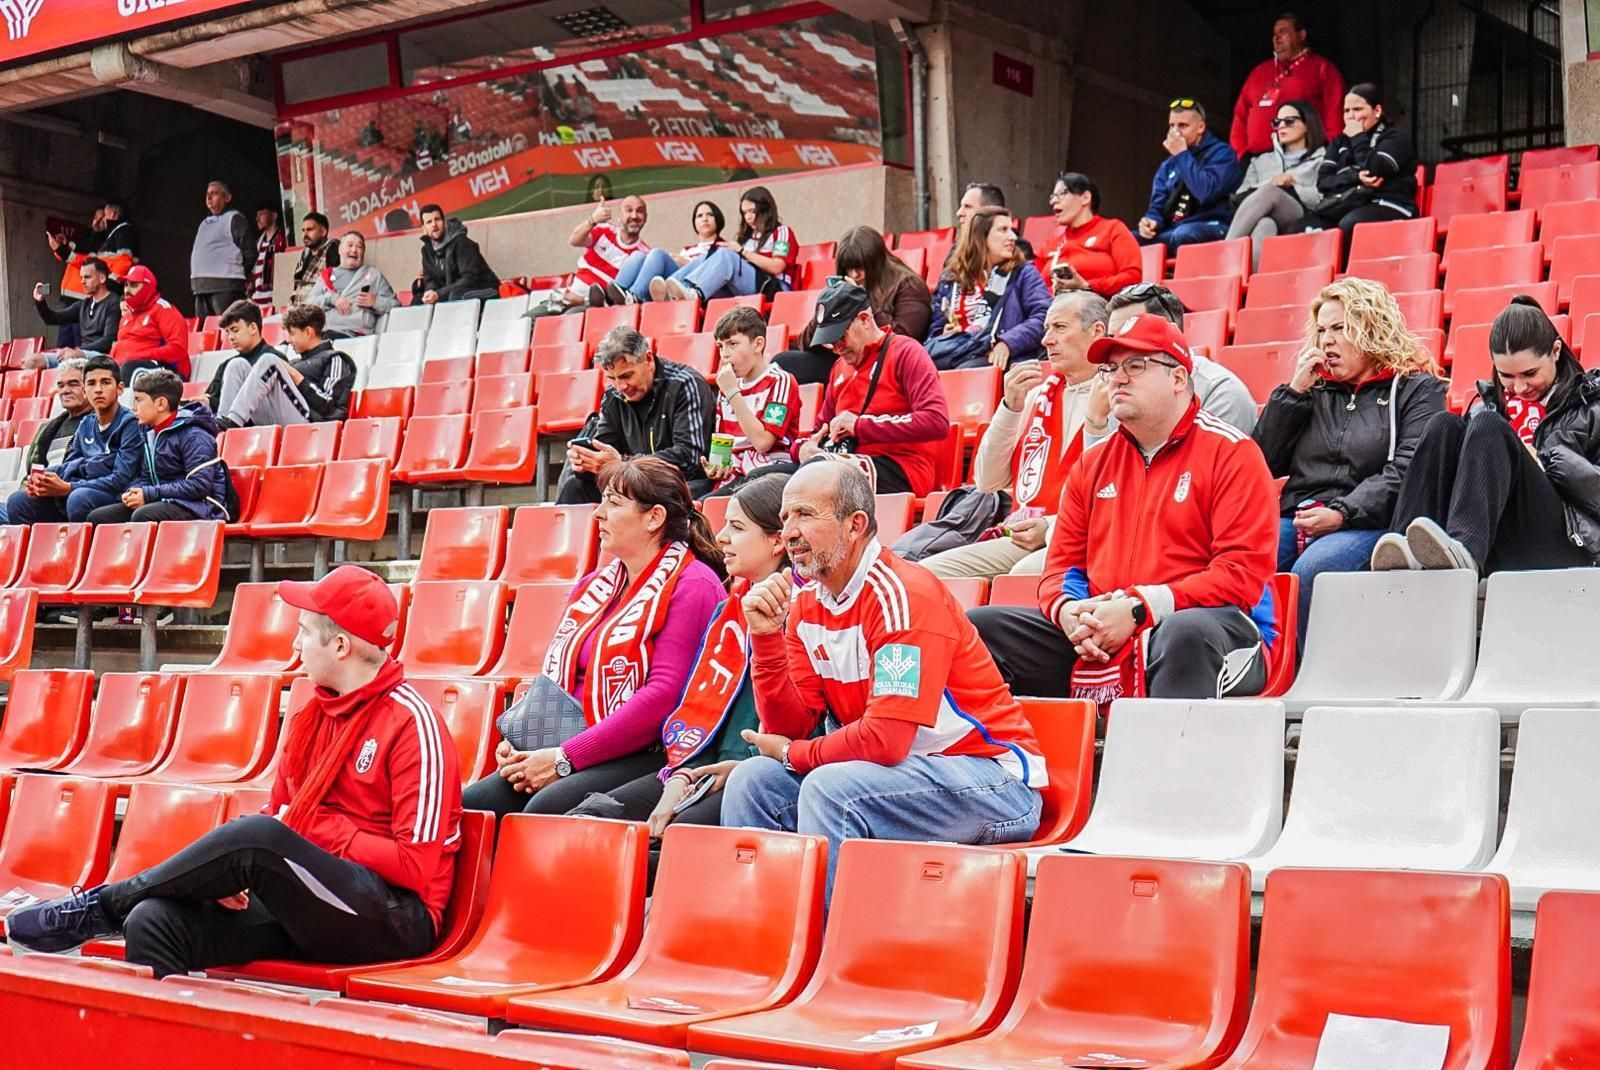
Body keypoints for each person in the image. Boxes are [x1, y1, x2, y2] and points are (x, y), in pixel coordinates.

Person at [6, 566, 462, 981]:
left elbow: (415, 868)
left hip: (395, 919)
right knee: (154, 920)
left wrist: (316, 829)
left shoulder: (413, 723)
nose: (294, 645)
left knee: (259, 837)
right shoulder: (313, 715)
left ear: (340, 646)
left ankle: (101, 907)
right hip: (310, 904)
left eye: (303, 633)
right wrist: (230, 878)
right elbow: (281, 816)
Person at [722, 461, 1048, 897]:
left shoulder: (904, 596)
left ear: (855, 525)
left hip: (993, 783)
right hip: (894, 777)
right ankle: (762, 940)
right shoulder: (804, 607)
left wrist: (795, 755)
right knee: (754, 781)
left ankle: (830, 949)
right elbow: (791, 727)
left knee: (831, 789)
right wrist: (765, 639)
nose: (789, 533)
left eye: (804, 515)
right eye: (784, 519)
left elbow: (886, 740)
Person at [968, 313, 1279, 703]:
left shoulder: (1233, 453)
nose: (1117, 378)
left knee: (1185, 633)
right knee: (981, 628)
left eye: (1136, 366)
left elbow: (1240, 577)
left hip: (1216, 631)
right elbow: (1061, 567)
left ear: (1178, 379)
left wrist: (1138, 608)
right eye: (1111, 368)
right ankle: (1007, 763)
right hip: (1108, 628)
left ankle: (1157, 764)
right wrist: (1070, 614)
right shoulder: (1094, 462)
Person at [464, 458, 724, 819]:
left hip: (646, 751)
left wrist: (564, 758)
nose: (598, 514)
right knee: (472, 804)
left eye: (613, 504)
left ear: (654, 518)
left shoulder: (694, 585)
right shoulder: (594, 585)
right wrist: (521, 742)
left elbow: (664, 697)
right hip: (571, 741)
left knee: (543, 810)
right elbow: (556, 681)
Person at [566, 474, 789, 853]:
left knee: (669, 844)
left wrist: (736, 767)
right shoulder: (726, 612)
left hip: (754, 770)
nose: (721, 539)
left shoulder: (802, 614)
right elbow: (696, 710)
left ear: (778, 541)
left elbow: (804, 727)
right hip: (694, 765)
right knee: (585, 825)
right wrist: (680, 779)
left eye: (736, 528)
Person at [1252, 278, 1446, 644]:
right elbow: (1259, 464)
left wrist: (1342, 512)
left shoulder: (1417, 389)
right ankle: (1254, 662)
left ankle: (1302, 670)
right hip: (1301, 515)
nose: (1326, 340)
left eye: (1340, 329)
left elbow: (1408, 469)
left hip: (1372, 520)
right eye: (1322, 330)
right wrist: (1292, 395)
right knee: (1252, 554)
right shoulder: (1311, 389)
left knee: (1316, 568)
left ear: (1371, 328)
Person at [1374, 295, 1600, 575]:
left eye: (1530, 373)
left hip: (1569, 542)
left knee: (1490, 425)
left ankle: (1464, 549)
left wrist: (1544, 461)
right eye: (1506, 375)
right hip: (1498, 538)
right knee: (1443, 425)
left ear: (1555, 351)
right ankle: (1405, 546)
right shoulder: (1486, 406)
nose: (1519, 387)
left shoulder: (1591, 407)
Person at [918, 292, 1110, 580]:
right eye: (1046, 329)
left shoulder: (1117, 394)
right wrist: (1009, 408)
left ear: (1097, 332)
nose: (1046, 340)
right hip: (1023, 533)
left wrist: (1050, 526)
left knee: (1020, 576)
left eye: (1059, 328)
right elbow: (987, 481)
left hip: (1086, 537)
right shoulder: (1036, 396)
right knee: (927, 576)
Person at [793, 280, 949, 497]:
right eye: (830, 342)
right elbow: (820, 428)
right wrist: (802, 448)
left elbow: (936, 421)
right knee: (770, 478)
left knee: (818, 472)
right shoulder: (840, 367)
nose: (836, 348)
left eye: (840, 337)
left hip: (902, 468)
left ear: (864, 320)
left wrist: (860, 425)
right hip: (847, 463)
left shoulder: (906, 352)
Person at [556, 327, 717, 503]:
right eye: (612, 378)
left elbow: (688, 459)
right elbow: (605, 449)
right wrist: (587, 462)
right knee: (574, 487)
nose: (620, 387)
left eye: (627, 375)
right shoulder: (613, 396)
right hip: (632, 483)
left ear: (648, 359)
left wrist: (624, 464)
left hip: (680, 484)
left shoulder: (684, 384)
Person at [775, 225, 932, 385]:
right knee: (783, 362)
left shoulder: (909, 285)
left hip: (884, 363)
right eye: (848, 269)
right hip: (846, 358)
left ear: (875, 263)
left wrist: (862, 299)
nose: (854, 275)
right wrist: (826, 308)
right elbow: (805, 345)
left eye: (859, 268)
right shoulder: (847, 286)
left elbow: (904, 338)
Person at [4, 355, 140, 525]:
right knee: (18, 501)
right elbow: (70, 464)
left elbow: (121, 479)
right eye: (91, 384)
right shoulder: (86, 424)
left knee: (78, 499)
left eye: (105, 382)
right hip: (79, 489)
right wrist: (46, 478)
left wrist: (70, 486)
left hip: (115, 494)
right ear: (85, 390)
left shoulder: (130, 424)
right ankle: (44, 550)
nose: (98, 389)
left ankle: (79, 550)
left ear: (120, 389)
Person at [1107, 284, 1259, 433]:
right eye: (1112, 338)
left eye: (1131, 332)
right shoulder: (1116, 386)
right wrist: (1096, 423)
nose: (1116, 345)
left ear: (1171, 332)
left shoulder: (1222, 393)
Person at [85, 370, 229, 524]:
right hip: (164, 499)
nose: (134, 407)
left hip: (201, 506)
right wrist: (134, 491)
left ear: (161, 403)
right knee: (98, 518)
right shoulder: (150, 432)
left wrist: (148, 494)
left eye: (139, 400)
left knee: (142, 515)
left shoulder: (194, 435)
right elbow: (147, 477)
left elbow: (199, 486)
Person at [926, 205, 1051, 369]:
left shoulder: (1023, 273)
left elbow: (1044, 317)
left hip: (1001, 357)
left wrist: (1007, 342)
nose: (1012, 237)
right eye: (1003, 230)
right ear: (981, 237)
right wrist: (945, 335)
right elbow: (935, 329)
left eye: (1011, 229)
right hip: (958, 351)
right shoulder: (952, 279)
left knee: (967, 371)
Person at [1293, 84, 1418, 239]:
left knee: (1350, 224)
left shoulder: (1395, 138)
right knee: (1297, 230)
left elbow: (1376, 170)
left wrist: (1358, 137)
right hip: (1346, 204)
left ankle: (1344, 264)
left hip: (1389, 204)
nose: (1351, 116)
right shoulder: (1339, 142)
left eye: (1357, 110)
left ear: (1377, 111)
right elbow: (1323, 182)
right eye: (1346, 111)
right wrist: (1356, 177)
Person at [703, 306, 802, 495]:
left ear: (757, 344)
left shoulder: (780, 381)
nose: (724, 354)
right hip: (736, 475)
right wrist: (718, 468)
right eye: (720, 346)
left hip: (771, 472)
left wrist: (733, 393)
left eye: (732, 344)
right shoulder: (727, 386)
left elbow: (763, 442)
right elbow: (727, 445)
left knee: (708, 504)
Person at [213, 304, 355, 430]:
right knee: (237, 365)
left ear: (308, 332)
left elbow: (328, 405)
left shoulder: (335, 359)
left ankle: (234, 420)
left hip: (313, 426)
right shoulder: (295, 363)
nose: (289, 340)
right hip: (280, 419)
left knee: (270, 360)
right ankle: (222, 425)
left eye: (292, 334)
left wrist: (296, 376)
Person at [1226, 100, 1328, 268]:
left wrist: (1293, 185)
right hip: (1265, 215)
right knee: (1265, 224)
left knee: (1271, 192)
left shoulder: (1323, 158)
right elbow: (1240, 196)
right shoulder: (1259, 161)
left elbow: (1323, 196)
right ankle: (1249, 285)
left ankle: (1226, 251)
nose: (1281, 126)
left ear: (1307, 125)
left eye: (1289, 121)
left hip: (1302, 214)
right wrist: (1272, 182)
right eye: (1277, 122)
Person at [1229, 12, 1345, 159]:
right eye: (1274, 34)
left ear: (1301, 35)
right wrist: (1239, 153)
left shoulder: (1322, 68)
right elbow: (1240, 114)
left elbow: (1335, 114)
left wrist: (1331, 152)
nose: (1276, 39)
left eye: (1283, 32)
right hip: (1257, 160)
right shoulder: (1259, 72)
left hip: (1305, 158)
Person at [656, 186, 797, 301]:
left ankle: (695, 292)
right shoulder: (747, 238)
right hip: (744, 289)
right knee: (709, 255)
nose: (748, 217)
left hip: (773, 288)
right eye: (744, 213)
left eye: (752, 211)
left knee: (725, 254)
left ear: (765, 209)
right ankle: (673, 289)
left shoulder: (781, 232)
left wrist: (742, 252)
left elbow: (777, 267)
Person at [1138, 99, 1243, 251]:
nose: (1175, 132)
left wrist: (1182, 154)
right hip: (1173, 229)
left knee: (1184, 234)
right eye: (1172, 125)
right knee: (1127, 240)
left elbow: (1205, 192)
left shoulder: (1223, 154)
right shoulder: (1168, 164)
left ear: (1201, 127)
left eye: (1183, 126)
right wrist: (1151, 221)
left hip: (1212, 224)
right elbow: (1157, 207)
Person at [1034, 172, 1142, 298]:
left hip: (1097, 306)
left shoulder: (1113, 229)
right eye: (1052, 196)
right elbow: (1033, 287)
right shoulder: (1051, 244)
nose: (1053, 201)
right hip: (1051, 308)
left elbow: (1132, 277)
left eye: (1062, 194)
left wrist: (1087, 286)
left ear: (1085, 198)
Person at [603, 200, 725, 306]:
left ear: (718, 219)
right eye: (699, 216)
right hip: (671, 285)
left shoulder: (722, 249)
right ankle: (610, 299)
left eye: (710, 214)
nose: (704, 219)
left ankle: (635, 296)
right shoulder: (687, 250)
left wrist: (685, 262)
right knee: (638, 256)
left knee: (658, 254)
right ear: (695, 223)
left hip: (694, 287)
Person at [558, 195, 649, 308]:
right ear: (619, 216)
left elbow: (623, 298)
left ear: (645, 218)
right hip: (569, 295)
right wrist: (592, 220)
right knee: (532, 317)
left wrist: (583, 300)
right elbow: (574, 241)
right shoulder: (604, 230)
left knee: (565, 321)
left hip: (594, 306)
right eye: (629, 210)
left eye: (640, 211)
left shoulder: (643, 256)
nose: (634, 216)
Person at [205, 301, 285, 426]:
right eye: (228, 332)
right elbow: (215, 400)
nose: (230, 337)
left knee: (237, 365)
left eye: (235, 330)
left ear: (253, 328)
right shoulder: (226, 365)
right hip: (234, 431)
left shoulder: (276, 360)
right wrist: (207, 402)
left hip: (268, 427)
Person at [305, 232, 398, 337]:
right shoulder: (326, 276)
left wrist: (376, 301)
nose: (354, 250)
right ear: (340, 250)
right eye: (350, 245)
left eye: (359, 247)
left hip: (354, 336)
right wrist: (332, 298)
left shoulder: (373, 275)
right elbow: (307, 307)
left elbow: (395, 305)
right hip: (322, 333)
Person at [110, 266, 190, 381]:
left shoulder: (164, 310)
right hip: (128, 368)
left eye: (133, 285)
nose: (127, 290)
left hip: (167, 372)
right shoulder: (126, 317)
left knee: (128, 369)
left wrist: (140, 355)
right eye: (126, 285)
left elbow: (178, 349)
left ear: (147, 287)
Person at [411, 204, 499, 305]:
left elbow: (470, 278)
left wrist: (439, 294)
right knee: (418, 300)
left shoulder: (462, 243)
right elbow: (430, 279)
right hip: (452, 293)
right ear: (424, 228)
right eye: (429, 222)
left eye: (437, 219)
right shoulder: (426, 250)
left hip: (485, 289)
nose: (434, 224)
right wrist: (431, 292)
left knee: (455, 296)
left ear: (445, 223)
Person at [34, 258, 121, 358]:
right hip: (82, 353)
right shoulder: (83, 304)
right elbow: (52, 318)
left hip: (102, 356)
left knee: (69, 357)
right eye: (81, 277)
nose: (82, 282)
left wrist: (79, 350)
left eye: (87, 277)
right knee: (34, 360)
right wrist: (40, 302)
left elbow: (108, 340)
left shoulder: (114, 302)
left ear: (102, 278)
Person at [190, 181, 252, 318]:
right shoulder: (204, 222)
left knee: (228, 328)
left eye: (215, 193)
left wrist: (241, 274)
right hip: (201, 287)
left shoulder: (234, 218)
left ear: (227, 198)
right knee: (206, 332)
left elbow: (249, 252)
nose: (209, 197)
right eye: (207, 194)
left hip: (226, 285)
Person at [249, 201, 287, 309]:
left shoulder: (282, 241)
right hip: (258, 303)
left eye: (261, 214)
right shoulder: (258, 243)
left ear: (274, 216)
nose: (257, 219)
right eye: (257, 215)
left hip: (275, 302)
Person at [289, 212, 334, 304]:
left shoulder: (333, 249)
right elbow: (297, 283)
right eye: (303, 230)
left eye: (309, 230)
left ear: (323, 232)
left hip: (317, 311)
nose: (305, 234)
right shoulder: (306, 252)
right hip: (296, 308)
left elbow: (335, 285)